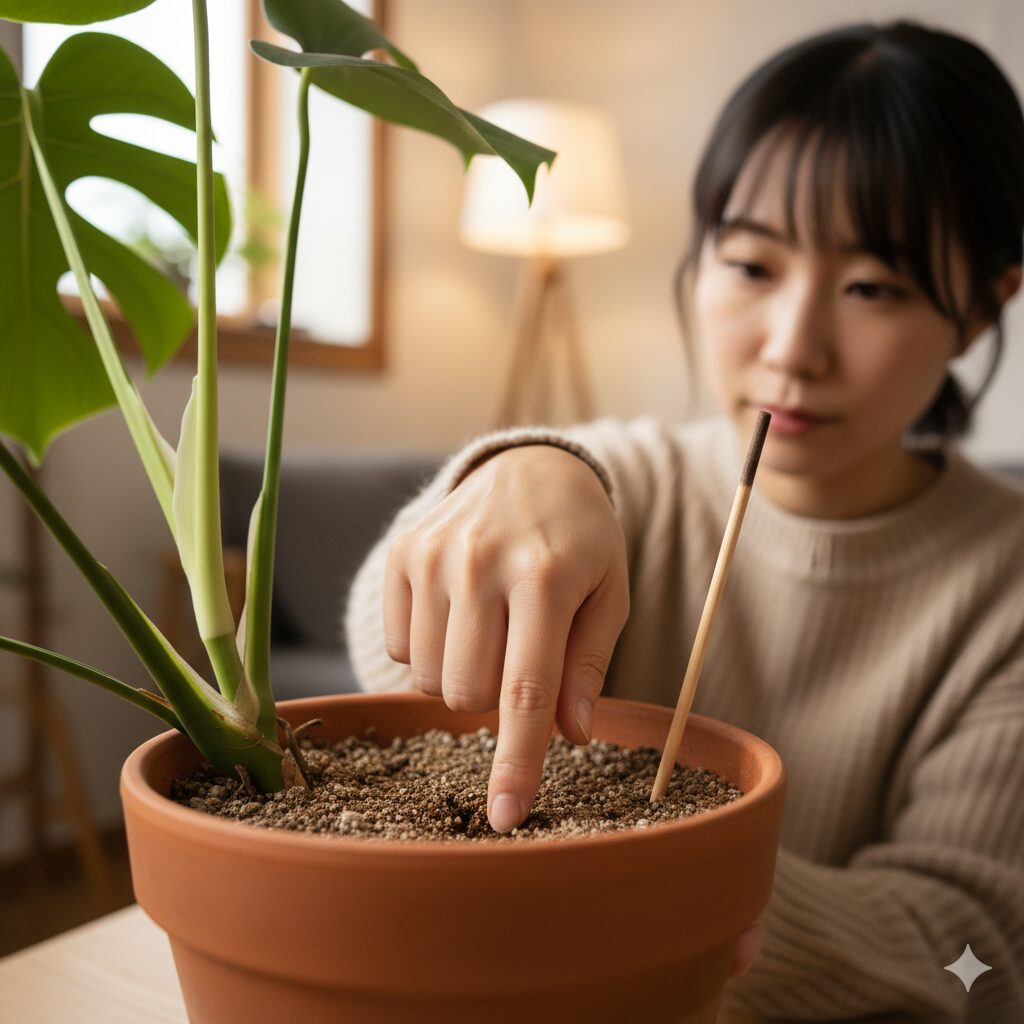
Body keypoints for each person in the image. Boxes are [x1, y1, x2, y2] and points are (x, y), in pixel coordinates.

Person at [345, 20, 1024, 1023]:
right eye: (751, 267)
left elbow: (977, 952)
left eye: (872, 287)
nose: (792, 349)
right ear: (699, 259)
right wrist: (520, 466)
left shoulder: (1003, 583)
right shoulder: (620, 482)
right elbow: (389, 650)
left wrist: (694, 890)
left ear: (978, 308)